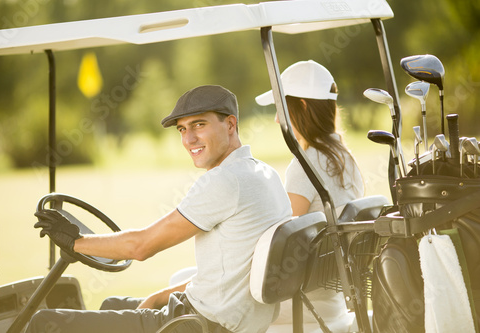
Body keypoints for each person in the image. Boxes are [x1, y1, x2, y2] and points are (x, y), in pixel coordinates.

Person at [28, 85, 292, 333]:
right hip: (226, 319)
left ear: (230, 124)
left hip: (198, 325)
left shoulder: (224, 181)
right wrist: (157, 297)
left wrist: (75, 242)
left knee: (44, 322)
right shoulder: (264, 173)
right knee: (112, 304)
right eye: (181, 129)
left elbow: (140, 246)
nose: (189, 139)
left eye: (199, 125)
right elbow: (229, 273)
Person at [255, 60, 364, 331]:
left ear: (302, 105)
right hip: (333, 299)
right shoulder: (345, 158)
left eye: (281, 109)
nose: (277, 118)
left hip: (305, 304)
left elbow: (282, 238)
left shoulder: (306, 163)